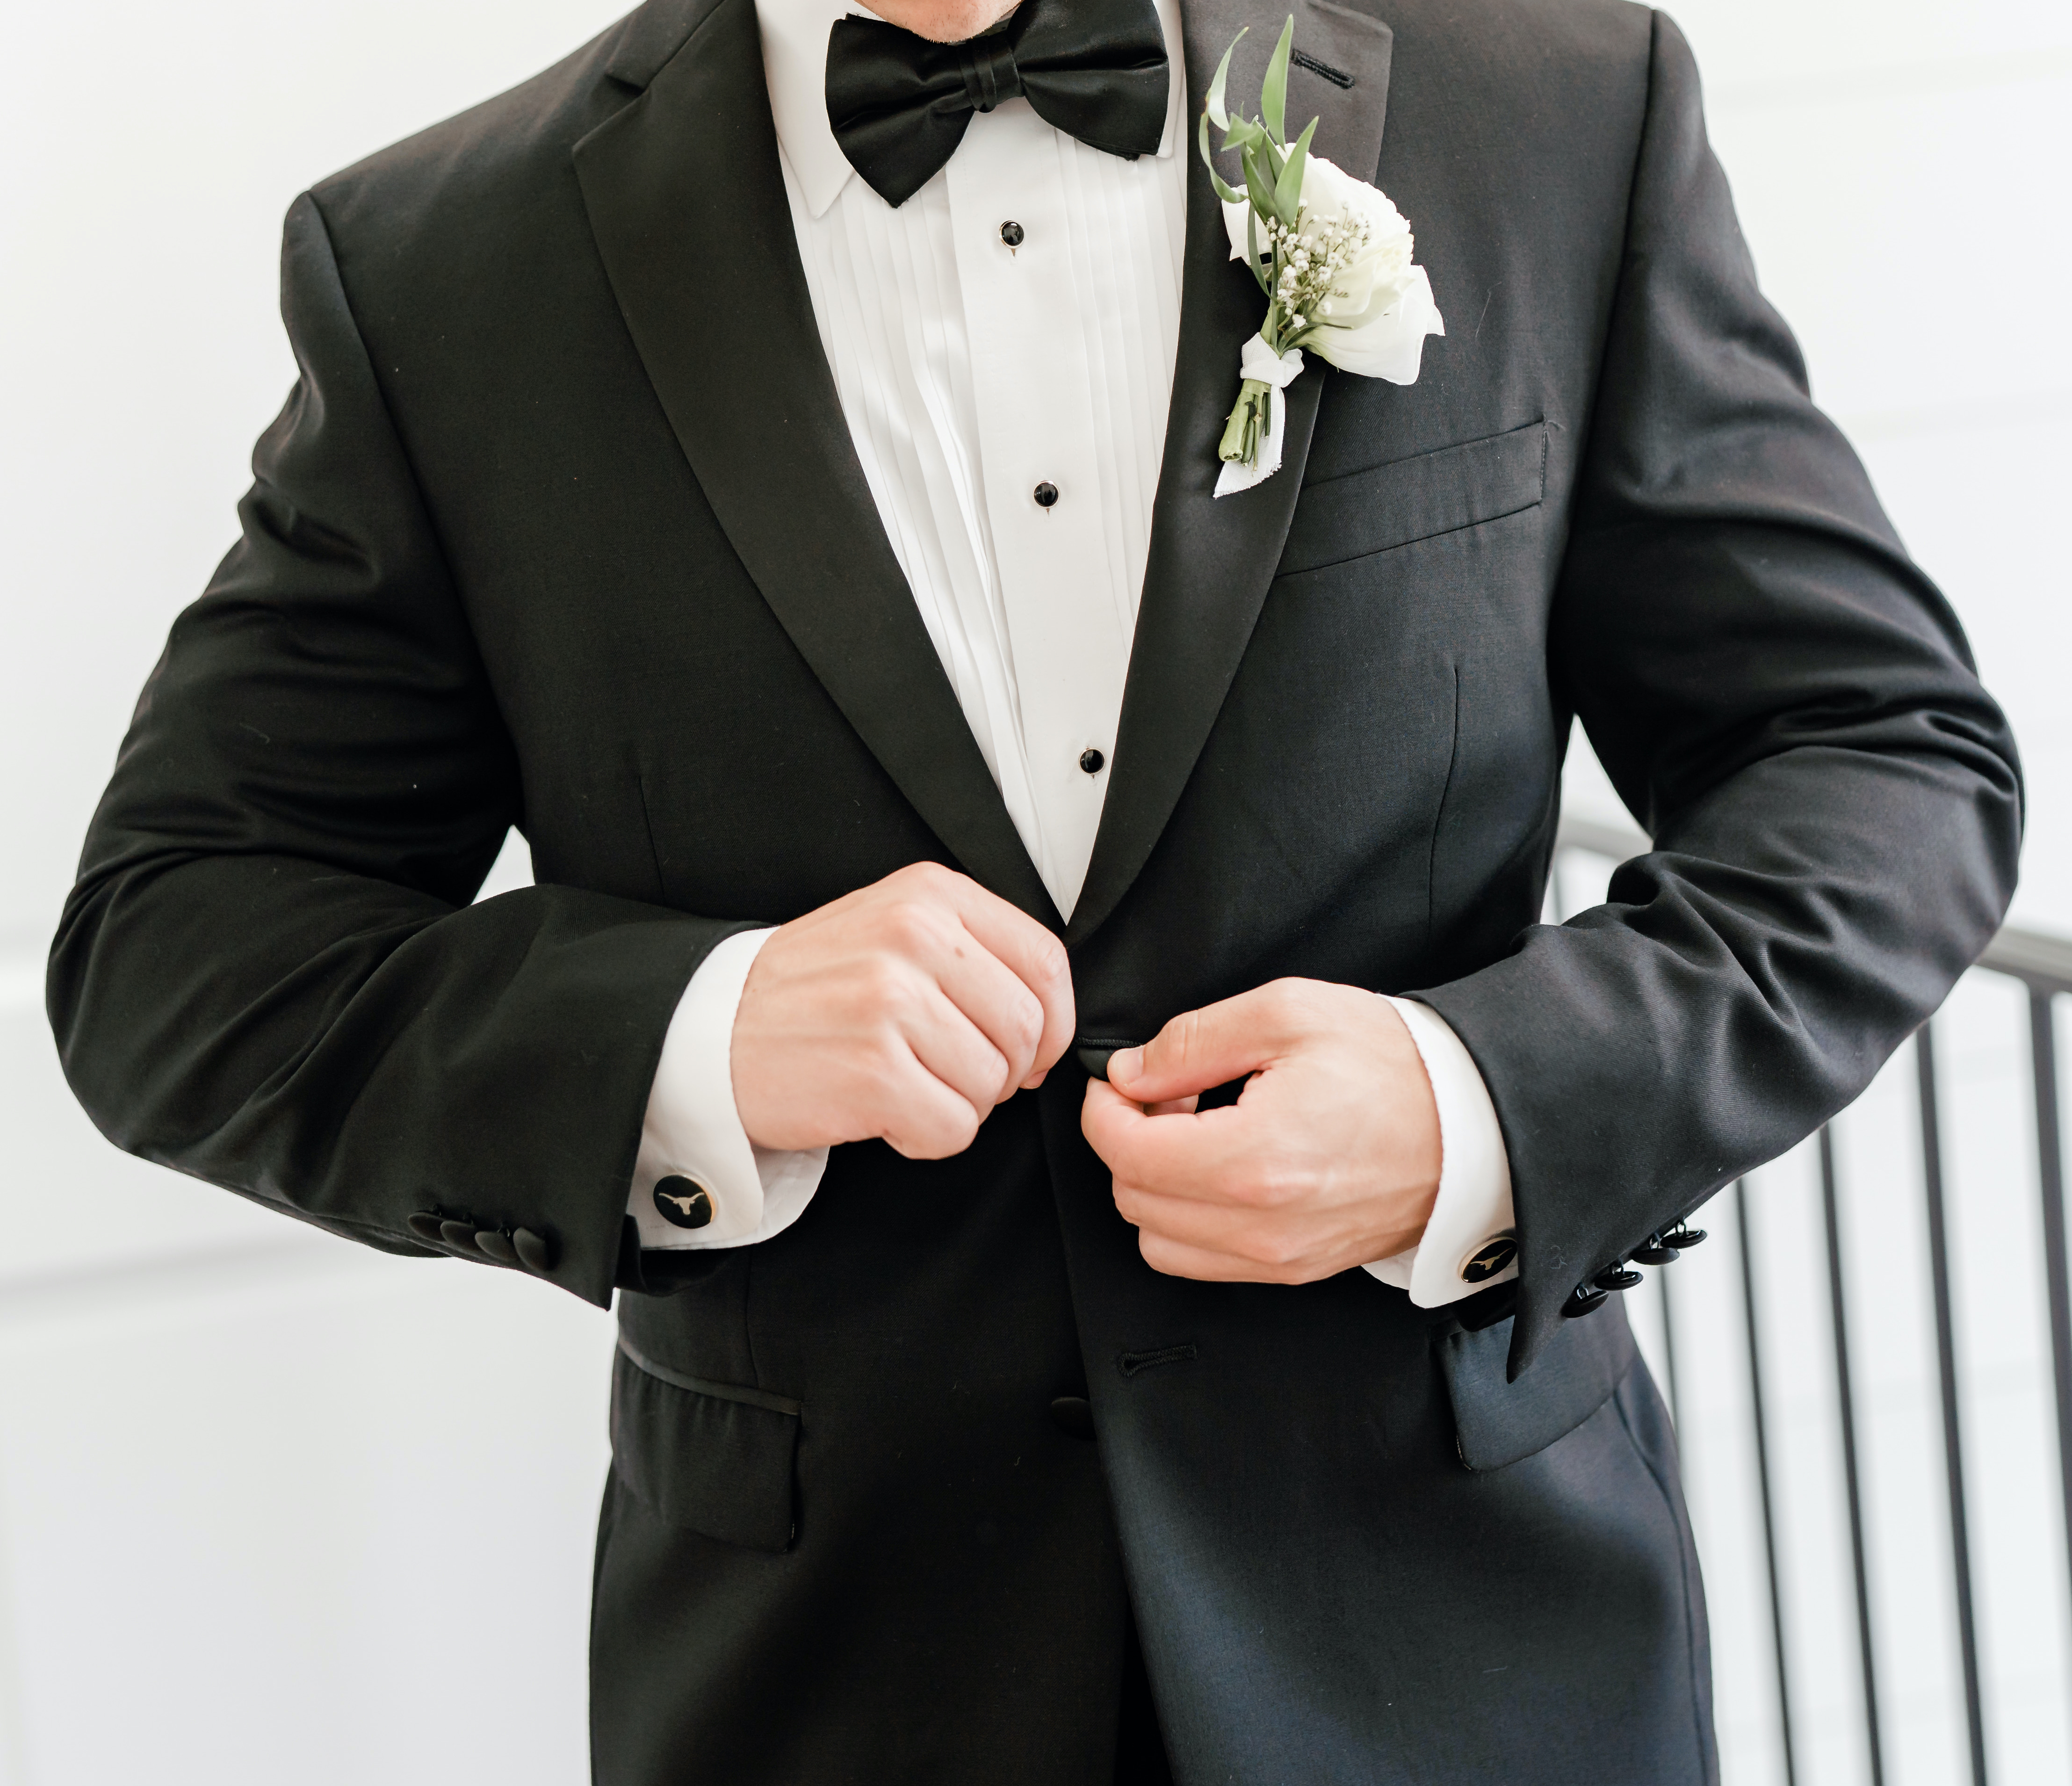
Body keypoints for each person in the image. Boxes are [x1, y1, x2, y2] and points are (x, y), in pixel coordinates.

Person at [49, 0, 2021, 1778]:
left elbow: (1873, 761)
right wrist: (699, 1035)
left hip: (1470, 1652)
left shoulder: (1556, 112)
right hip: (832, 1682)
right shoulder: (442, 269)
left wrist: (1476, 1101)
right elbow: (176, 943)